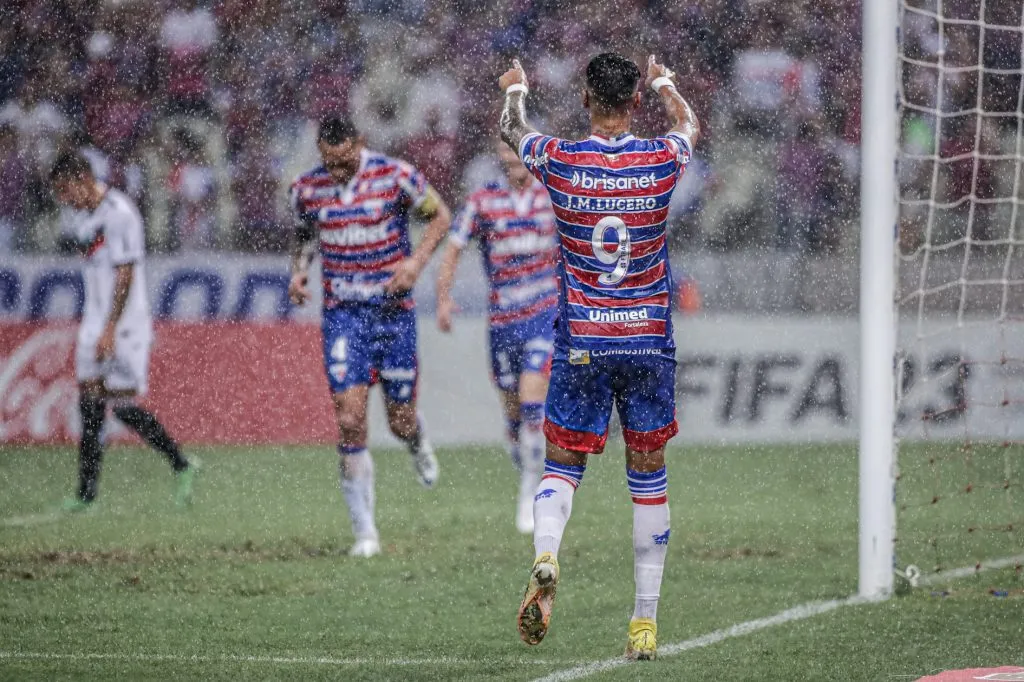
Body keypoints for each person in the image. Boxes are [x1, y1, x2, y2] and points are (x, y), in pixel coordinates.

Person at [498, 53, 701, 659]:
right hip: (647, 344)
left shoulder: (561, 160)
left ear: (586, 99)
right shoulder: (662, 158)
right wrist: (667, 81)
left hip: (585, 340)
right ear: (635, 101)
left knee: (561, 467)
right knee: (649, 480)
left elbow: (512, 131)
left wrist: (516, 90)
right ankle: (644, 622)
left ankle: (546, 555)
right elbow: (690, 125)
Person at [288, 115, 450, 558]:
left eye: (344, 162)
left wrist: (414, 265)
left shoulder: (396, 176)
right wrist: (300, 273)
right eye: (329, 163)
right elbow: (304, 235)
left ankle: (416, 441)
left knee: (399, 421)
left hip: (393, 316)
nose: (336, 171)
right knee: (349, 418)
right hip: (344, 317)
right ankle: (365, 532)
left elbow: (440, 218)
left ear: (360, 143)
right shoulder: (305, 188)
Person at [49, 151, 198, 511]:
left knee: (122, 407)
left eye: (67, 190)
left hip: (124, 326)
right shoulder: (85, 218)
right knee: (90, 405)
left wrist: (111, 329)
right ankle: (86, 494)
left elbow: (126, 272)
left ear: (84, 177)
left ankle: (182, 464)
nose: (65, 199)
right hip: (93, 322)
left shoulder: (120, 214)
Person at [435, 140, 558, 534]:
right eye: (506, 155)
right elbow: (453, 246)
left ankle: (531, 492)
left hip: (545, 314)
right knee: (513, 414)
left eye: (518, 155)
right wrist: (443, 298)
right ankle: (521, 455)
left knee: (532, 405)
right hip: (504, 322)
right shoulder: (483, 201)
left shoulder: (552, 195)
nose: (513, 163)